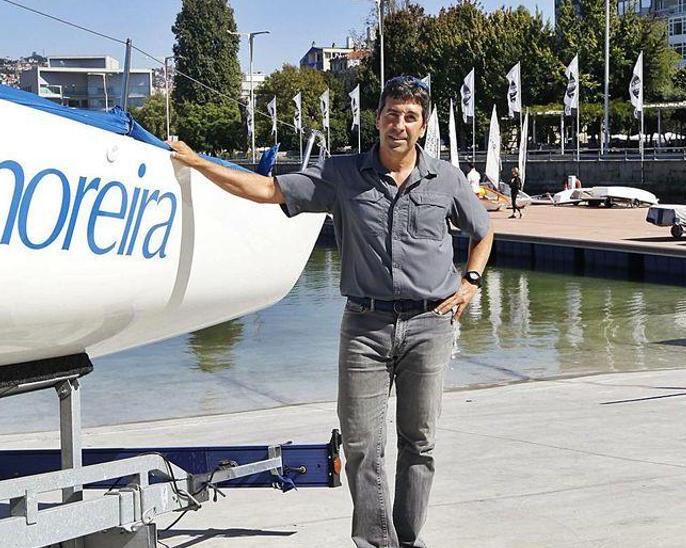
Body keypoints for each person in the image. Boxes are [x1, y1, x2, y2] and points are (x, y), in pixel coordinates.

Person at [167, 76, 494, 548]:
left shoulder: (446, 179)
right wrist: (198, 164)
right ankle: (377, 544)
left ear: (422, 125)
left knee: (418, 443)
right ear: (377, 118)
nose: (398, 125)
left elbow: (483, 232)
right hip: (365, 325)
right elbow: (268, 190)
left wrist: (470, 284)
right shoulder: (340, 174)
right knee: (362, 444)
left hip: (429, 325)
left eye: (409, 117)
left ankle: (407, 538)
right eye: (390, 114)